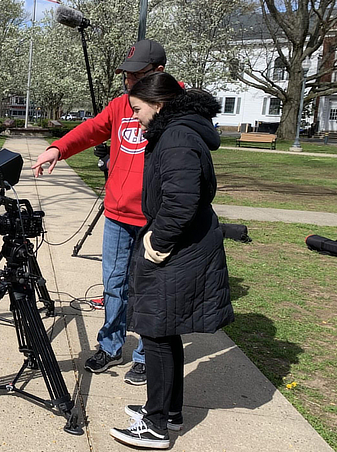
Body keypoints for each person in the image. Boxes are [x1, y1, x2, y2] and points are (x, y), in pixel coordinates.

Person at [31, 39, 170, 385]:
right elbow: (92, 129)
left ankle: (145, 356)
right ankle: (110, 346)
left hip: (154, 217)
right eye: (126, 76)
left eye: (137, 76)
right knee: (113, 284)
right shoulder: (121, 105)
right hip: (117, 215)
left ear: (158, 72)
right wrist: (57, 149)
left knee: (147, 290)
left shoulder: (175, 107)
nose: (129, 83)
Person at [109, 72, 234, 449]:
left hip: (179, 250)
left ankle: (156, 425)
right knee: (165, 331)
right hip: (185, 247)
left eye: (138, 109)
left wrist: (157, 243)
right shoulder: (177, 132)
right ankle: (169, 411)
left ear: (158, 104)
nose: (135, 117)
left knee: (157, 332)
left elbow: (182, 201)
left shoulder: (177, 137)